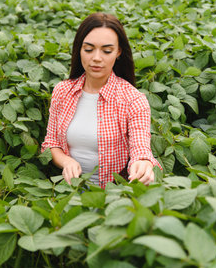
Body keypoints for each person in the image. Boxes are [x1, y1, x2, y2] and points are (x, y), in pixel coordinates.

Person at [41, 12, 162, 189]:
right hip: (68, 190)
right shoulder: (62, 91)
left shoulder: (133, 100)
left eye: (107, 51)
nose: (96, 58)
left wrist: (143, 163)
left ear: (118, 52)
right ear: (79, 49)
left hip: (114, 193)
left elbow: (141, 147)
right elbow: (50, 144)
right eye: (89, 49)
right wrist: (67, 162)